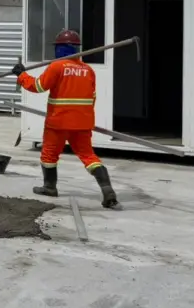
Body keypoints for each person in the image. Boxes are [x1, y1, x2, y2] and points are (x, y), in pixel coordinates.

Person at [11, 29, 118, 208]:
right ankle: (107, 189)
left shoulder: (57, 66)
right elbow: (92, 97)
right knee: (89, 156)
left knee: (49, 154)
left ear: (61, 49)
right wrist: (83, 118)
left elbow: (38, 86)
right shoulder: (88, 70)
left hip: (58, 122)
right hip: (82, 123)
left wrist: (21, 75)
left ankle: (50, 187)